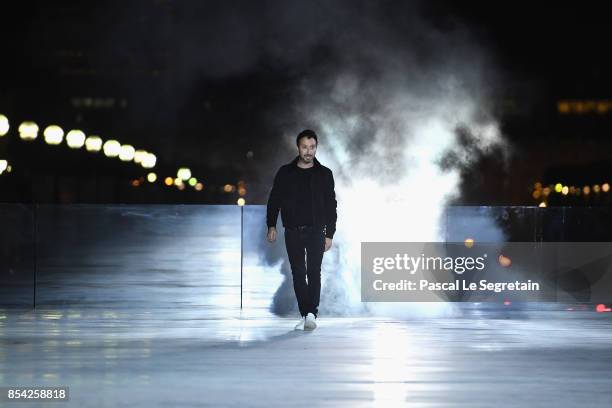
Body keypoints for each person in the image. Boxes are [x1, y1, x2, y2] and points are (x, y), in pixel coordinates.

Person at [266, 129, 337, 331]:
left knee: (314, 272)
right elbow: (274, 200)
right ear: (298, 147)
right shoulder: (285, 172)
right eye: (304, 147)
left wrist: (330, 233)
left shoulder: (324, 174)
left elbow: (331, 205)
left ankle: (311, 313)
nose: (308, 151)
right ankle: (306, 314)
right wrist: (271, 225)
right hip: (293, 230)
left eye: (312, 147)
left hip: (316, 230)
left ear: (316, 147)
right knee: (298, 272)